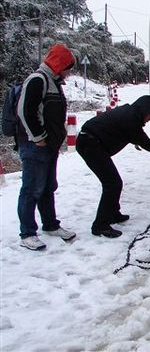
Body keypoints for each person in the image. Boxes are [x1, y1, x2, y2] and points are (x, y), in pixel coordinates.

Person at [16, 43, 76, 250]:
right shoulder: (37, 80)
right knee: (32, 188)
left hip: (49, 146)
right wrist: (38, 137)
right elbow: (25, 111)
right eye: (68, 68)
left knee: (48, 187)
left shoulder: (54, 82)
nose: (69, 73)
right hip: (35, 146)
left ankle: (50, 225)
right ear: (60, 64)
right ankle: (27, 233)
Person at [76, 95, 150, 238]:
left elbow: (133, 135)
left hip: (92, 142)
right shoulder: (131, 118)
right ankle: (100, 225)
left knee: (114, 182)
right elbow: (143, 140)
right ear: (145, 110)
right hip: (90, 144)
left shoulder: (130, 113)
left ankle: (113, 214)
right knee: (112, 183)